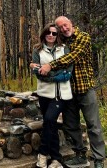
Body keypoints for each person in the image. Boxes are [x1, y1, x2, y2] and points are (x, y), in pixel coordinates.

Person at [38, 16, 106, 168]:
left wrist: (50, 65)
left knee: (93, 125)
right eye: (60, 27)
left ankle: (99, 159)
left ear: (71, 23)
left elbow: (72, 56)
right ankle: (80, 154)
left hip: (85, 88)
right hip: (68, 92)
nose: (63, 29)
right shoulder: (61, 41)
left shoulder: (83, 37)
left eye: (65, 25)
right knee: (70, 124)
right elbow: (48, 48)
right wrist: (36, 63)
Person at [32, 23, 73, 168]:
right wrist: (51, 73)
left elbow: (67, 73)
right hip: (44, 94)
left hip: (61, 94)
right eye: (48, 32)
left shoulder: (64, 49)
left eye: (54, 33)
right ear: (44, 34)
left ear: (58, 36)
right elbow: (36, 72)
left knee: (49, 120)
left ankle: (42, 154)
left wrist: (48, 72)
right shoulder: (38, 50)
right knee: (52, 124)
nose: (51, 35)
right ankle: (56, 159)